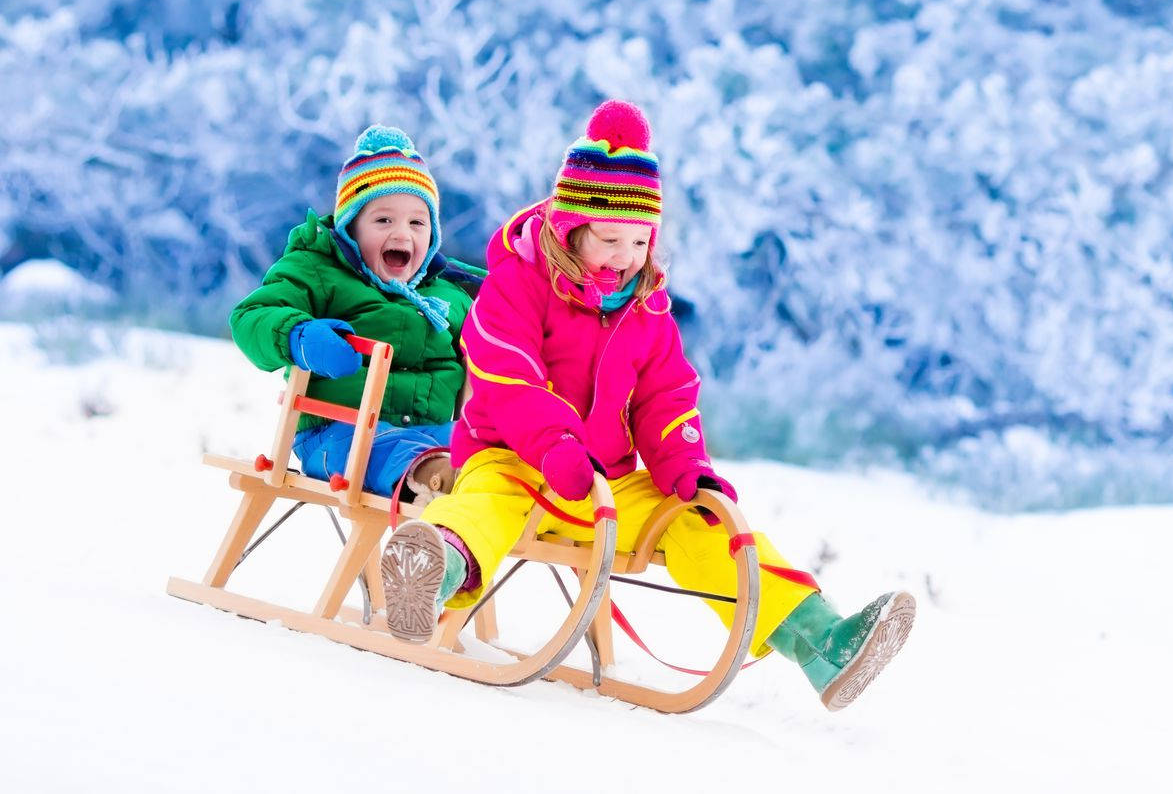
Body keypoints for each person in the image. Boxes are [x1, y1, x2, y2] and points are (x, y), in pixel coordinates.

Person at [381, 102, 914, 711]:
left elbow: (667, 393)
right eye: (610, 239)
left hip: (606, 482)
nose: (626, 255)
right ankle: (430, 573)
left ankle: (823, 643)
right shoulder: (517, 286)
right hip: (513, 461)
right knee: (483, 509)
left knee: (700, 523)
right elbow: (508, 374)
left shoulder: (647, 308)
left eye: (640, 241)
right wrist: (554, 444)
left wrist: (685, 464)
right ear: (568, 227)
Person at [229, 125, 482, 506]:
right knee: (380, 448)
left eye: (417, 222)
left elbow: (504, 331)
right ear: (350, 228)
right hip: (335, 433)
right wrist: (298, 335)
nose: (403, 233)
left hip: (435, 432)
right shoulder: (318, 270)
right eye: (383, 221)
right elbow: (252, 315)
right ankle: (431, 480)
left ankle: (476, 494)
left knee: (487, 454)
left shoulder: (448, 292)